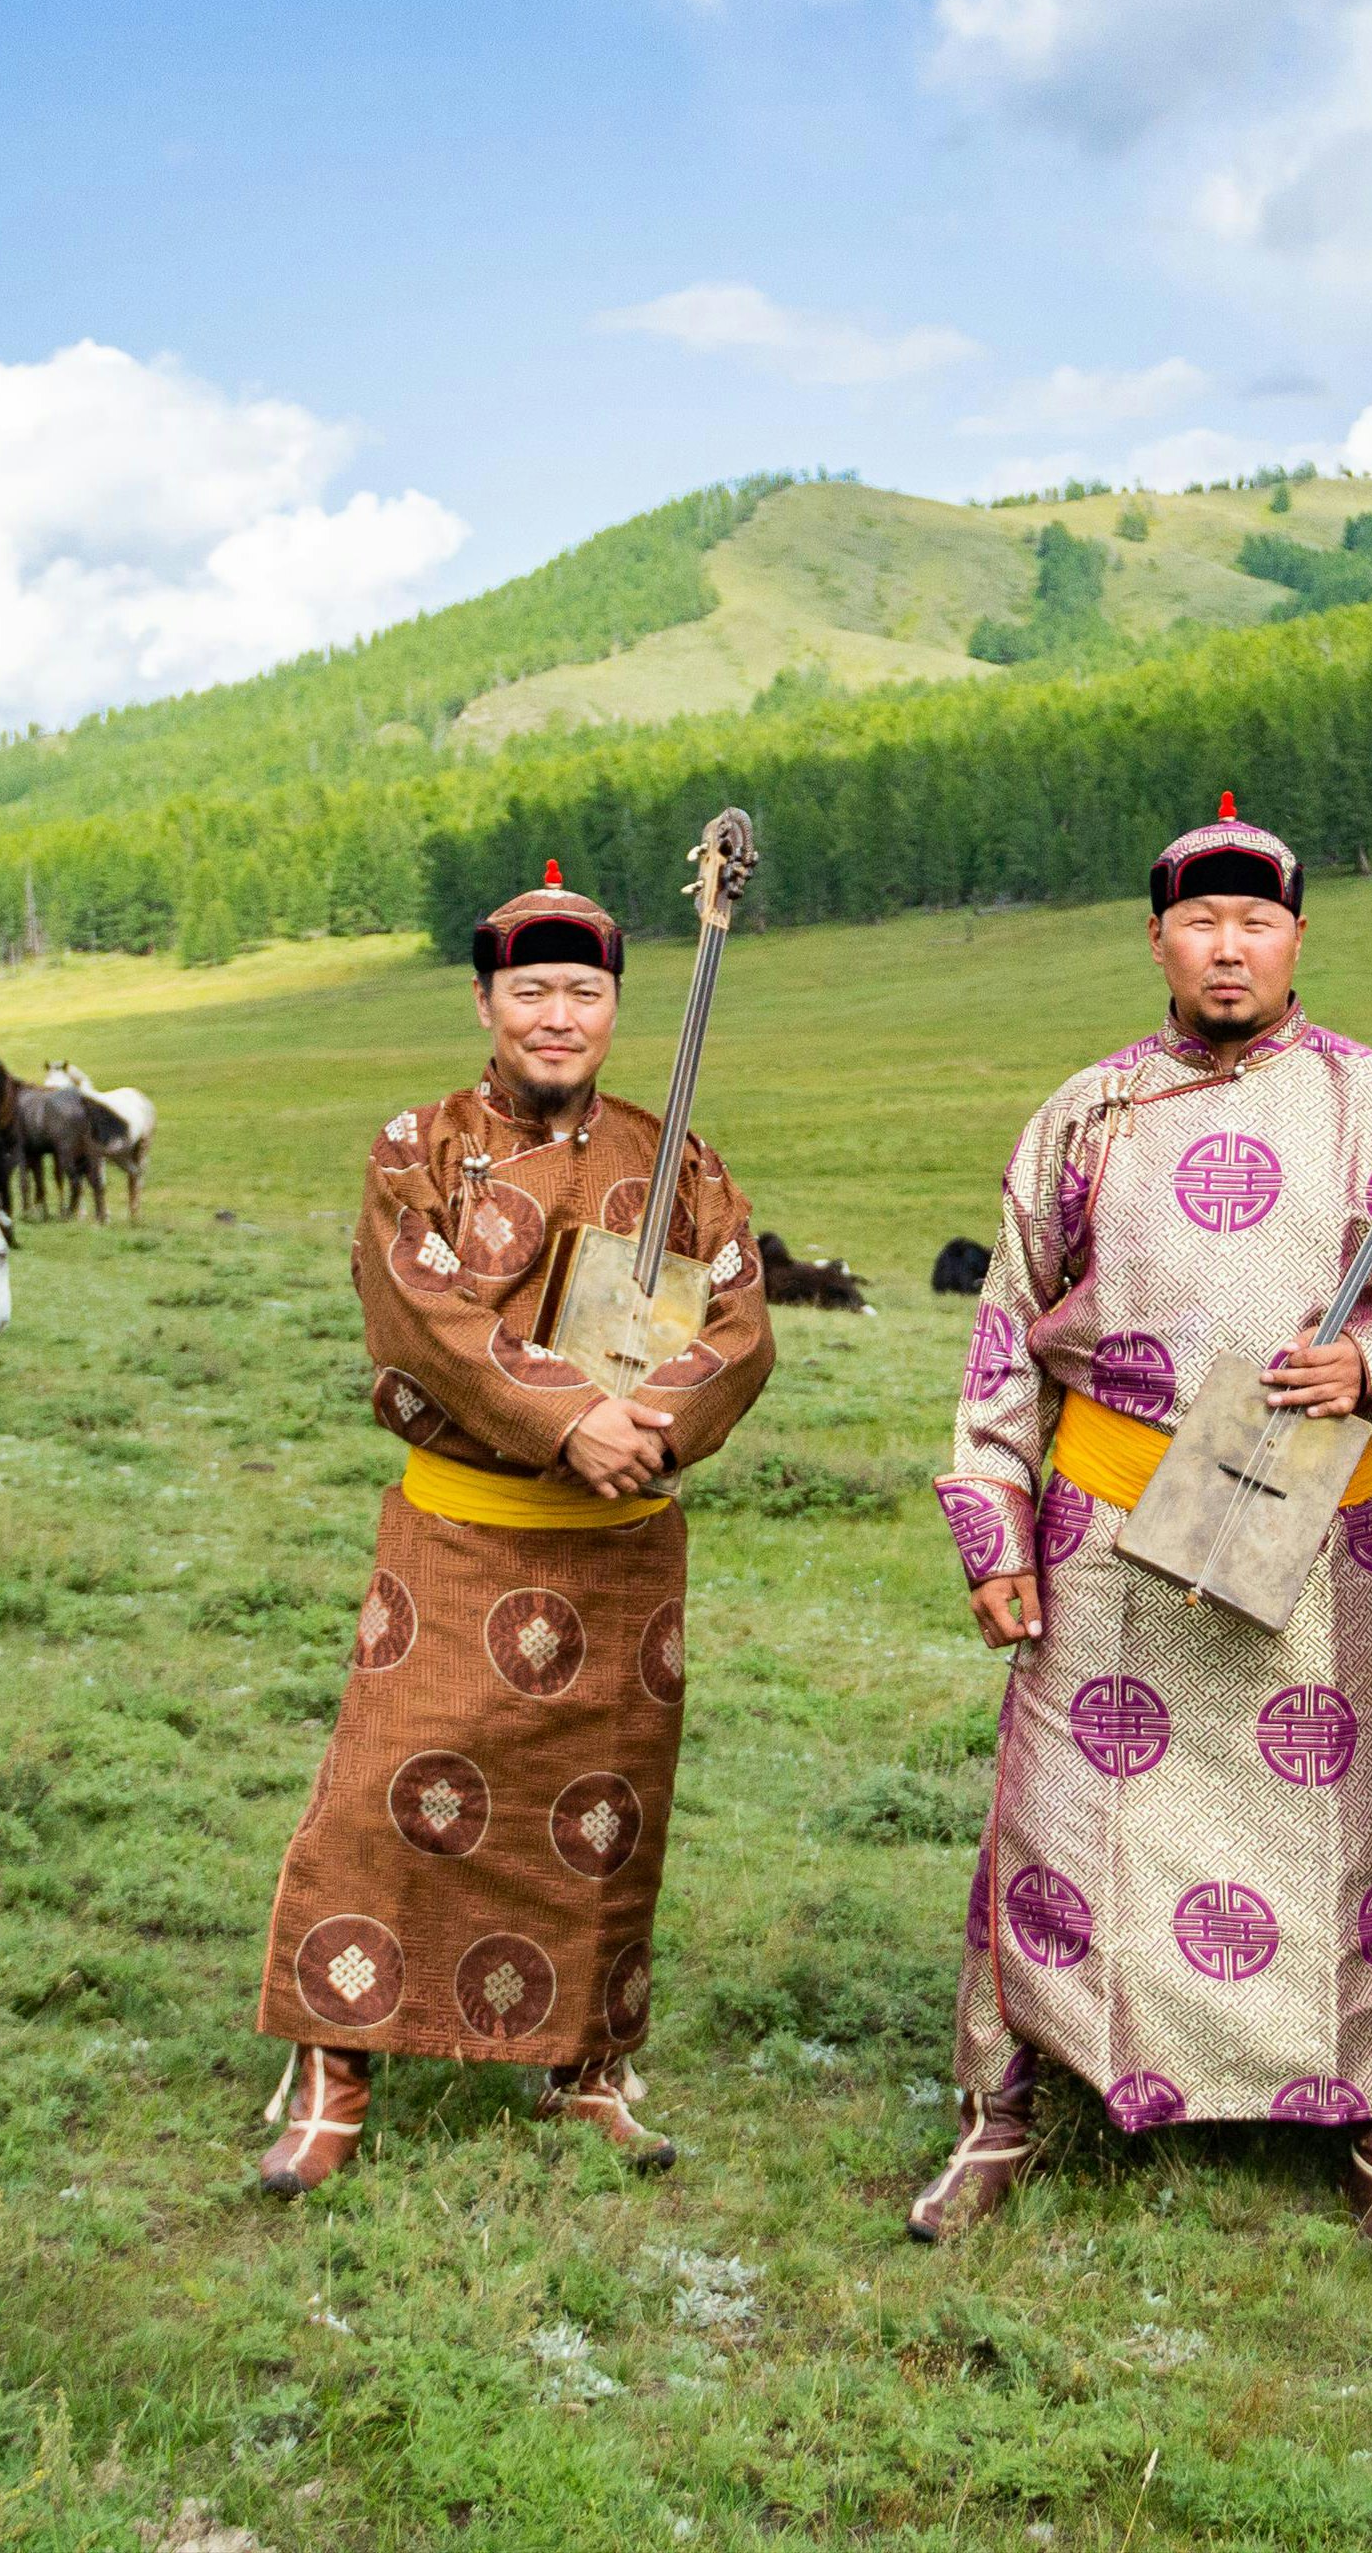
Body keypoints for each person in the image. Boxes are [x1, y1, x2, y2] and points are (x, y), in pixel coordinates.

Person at [911, 795, 1372, 2249]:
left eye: (1257, 921)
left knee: (1348, 1831)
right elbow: (1005, 1331)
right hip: (1110, 1533)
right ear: (1158, 940)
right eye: (1201, 921)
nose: (1229, 948)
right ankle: (1009, 2106)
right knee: (1064, 1824)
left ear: (1300, 936)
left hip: (1312, 1532)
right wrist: (994, 1528)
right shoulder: (1087, 1111)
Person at [253, 860, 774, 2194]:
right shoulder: (411, 1150)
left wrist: (650, 1419)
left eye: (585, 993)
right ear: (486, 1002)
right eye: (531, 990)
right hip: (465, 1528)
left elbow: (739, 1323)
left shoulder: (680, 1163)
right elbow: (420, 1313)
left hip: (621, 1546)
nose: (558, 1016)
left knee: (602, 1810)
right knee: (387, 1784)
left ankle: (585, 2066)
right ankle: (333, 2061)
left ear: (614, 1008)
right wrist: (566, 1418)